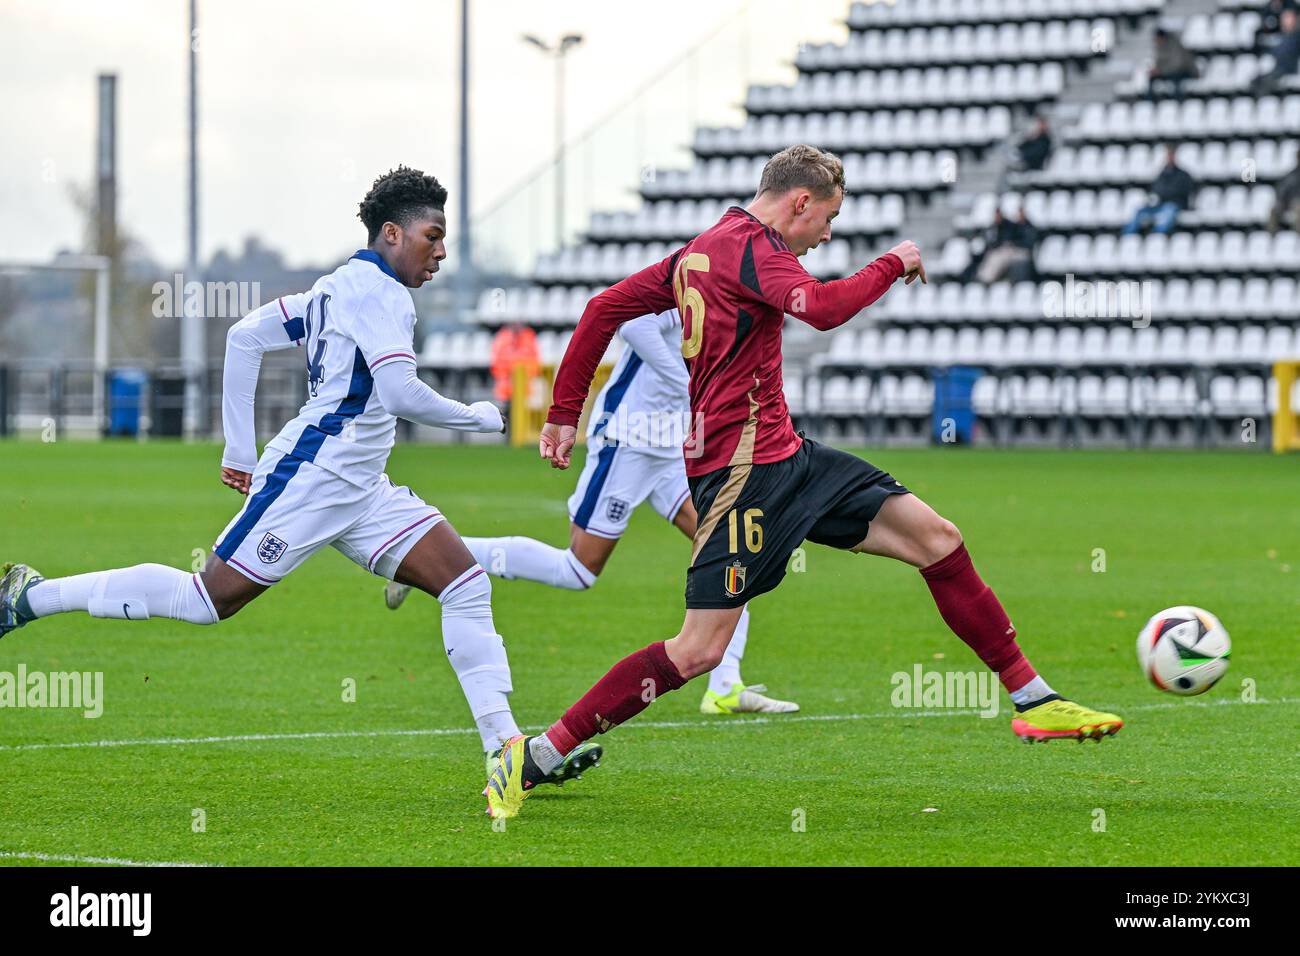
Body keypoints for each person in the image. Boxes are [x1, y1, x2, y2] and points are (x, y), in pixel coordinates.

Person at [483, 145, 1124, 820]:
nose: (826, 235)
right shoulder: (751, 249)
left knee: (937, 539)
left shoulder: (697, 253)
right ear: (800, 202)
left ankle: (1034, 699)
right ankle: (534, 757)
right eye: (829, 219)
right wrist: (893, 262)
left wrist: (562, 413)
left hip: (789, 458)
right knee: (698, 649)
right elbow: (820, 308)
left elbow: (602, 307)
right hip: (738, 476)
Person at [0, 166, 601, 787]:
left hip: (363, 488)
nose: (441, 252)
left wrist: (239, 447)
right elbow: (397, 392)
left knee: (466, 583)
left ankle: (506, 751)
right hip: (313, 478)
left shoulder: (336, 287)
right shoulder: (380, 294)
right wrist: (481, 417)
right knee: (207, 600)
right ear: (392, 233)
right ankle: (32, 596)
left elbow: (243, 337)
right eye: (433, 236)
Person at [386, 308, 799, 715]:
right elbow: (634, 325)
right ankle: (435, 555)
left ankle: (725, 687)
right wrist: (688, 381)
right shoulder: (692, 279)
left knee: (731, 549)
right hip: (628, 440)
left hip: (673, 448)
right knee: (579, 570)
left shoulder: (736, 301)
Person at [1122, 146, 1195, 235]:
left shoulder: (1183, 175)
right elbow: (1156, 190)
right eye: (1168, 156)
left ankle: (1157, 236)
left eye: (1171, 155)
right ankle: (1127, 234)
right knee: (1140, 211)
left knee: (1168, 212)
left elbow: (1183, 192)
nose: (1169, 158)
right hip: (1161, 204)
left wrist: (1166, 193)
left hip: (1175, 204)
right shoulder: (1161, 174)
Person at [968, 207, 1038, 284]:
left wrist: (1012, 244)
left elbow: (1027, 243)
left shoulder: (1027, 227)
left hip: (1021, 252)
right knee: (994, 254)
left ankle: (986, 279)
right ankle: (983, 278)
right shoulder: (1006, 226)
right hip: (1009, 250)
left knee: (1000, 255)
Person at [1251, 9, 1300, 93]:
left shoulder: (1296, 38)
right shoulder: (1279, 36)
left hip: (1288, 71)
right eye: (1285, 18)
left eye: (1289, 18)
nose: (1287, 20)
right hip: (1276, 70)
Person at [1147, 27, 1200, 100]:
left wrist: (1161, 71)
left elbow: (1177, 64)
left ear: (1162, 37)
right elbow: (1159, 62)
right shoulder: (1159, 47)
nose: (1156, 41)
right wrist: (1155, 70)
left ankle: (1178, 102)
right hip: (1169, 72)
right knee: (1152, 78)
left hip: (1187, 71)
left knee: (1175, 79)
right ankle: (1150, 102)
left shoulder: (1175, 45)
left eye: (1158, 38)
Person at [1268, 147, 1300, 233]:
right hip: (1289, 202)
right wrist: (1281, 200)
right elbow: (1281, 189)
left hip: (1297, 204)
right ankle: (1272, 236)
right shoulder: (1291, 175)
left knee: (1298, 208)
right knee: (1274, 210)